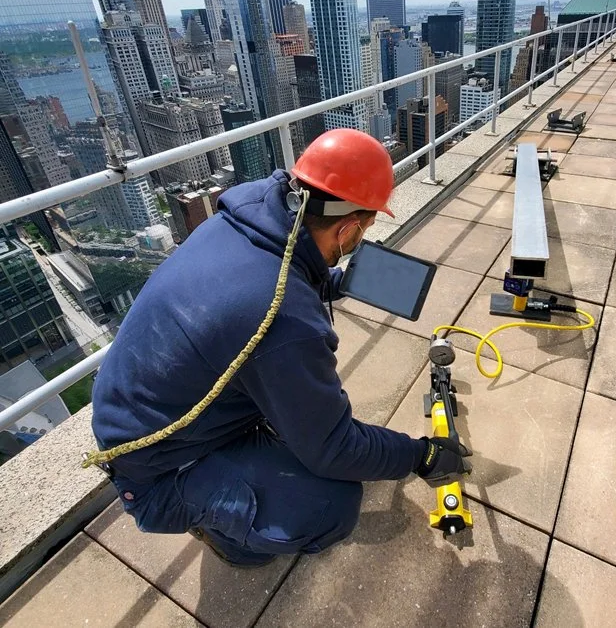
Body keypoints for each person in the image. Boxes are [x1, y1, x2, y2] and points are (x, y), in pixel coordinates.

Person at [90, 128, 471, 566]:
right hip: (156, 469)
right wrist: (421, 455)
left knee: (297, 420)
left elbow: (285, 266)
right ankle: (218, 527)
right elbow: (336, 448)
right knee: (333, 506)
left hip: (143, 412)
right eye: (364, 228)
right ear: (348, 228)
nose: (361, 238)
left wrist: (337, 280)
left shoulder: (247, 218)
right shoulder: (284, 321)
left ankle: (236, 468)